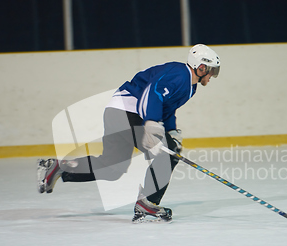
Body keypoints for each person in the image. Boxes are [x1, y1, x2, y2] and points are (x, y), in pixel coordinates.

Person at [37, 44, 220, 223]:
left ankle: (60, 167)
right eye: (211, 70)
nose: (212, 75)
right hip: (127, 112)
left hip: (119, 112)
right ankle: (148, 203)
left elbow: (167, 108)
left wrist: (171, 130)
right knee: (167, 153)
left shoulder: (190, 86)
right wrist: (151, 123)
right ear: (201, 67)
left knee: (111, 168)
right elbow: (152, 92)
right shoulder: (180, 74)